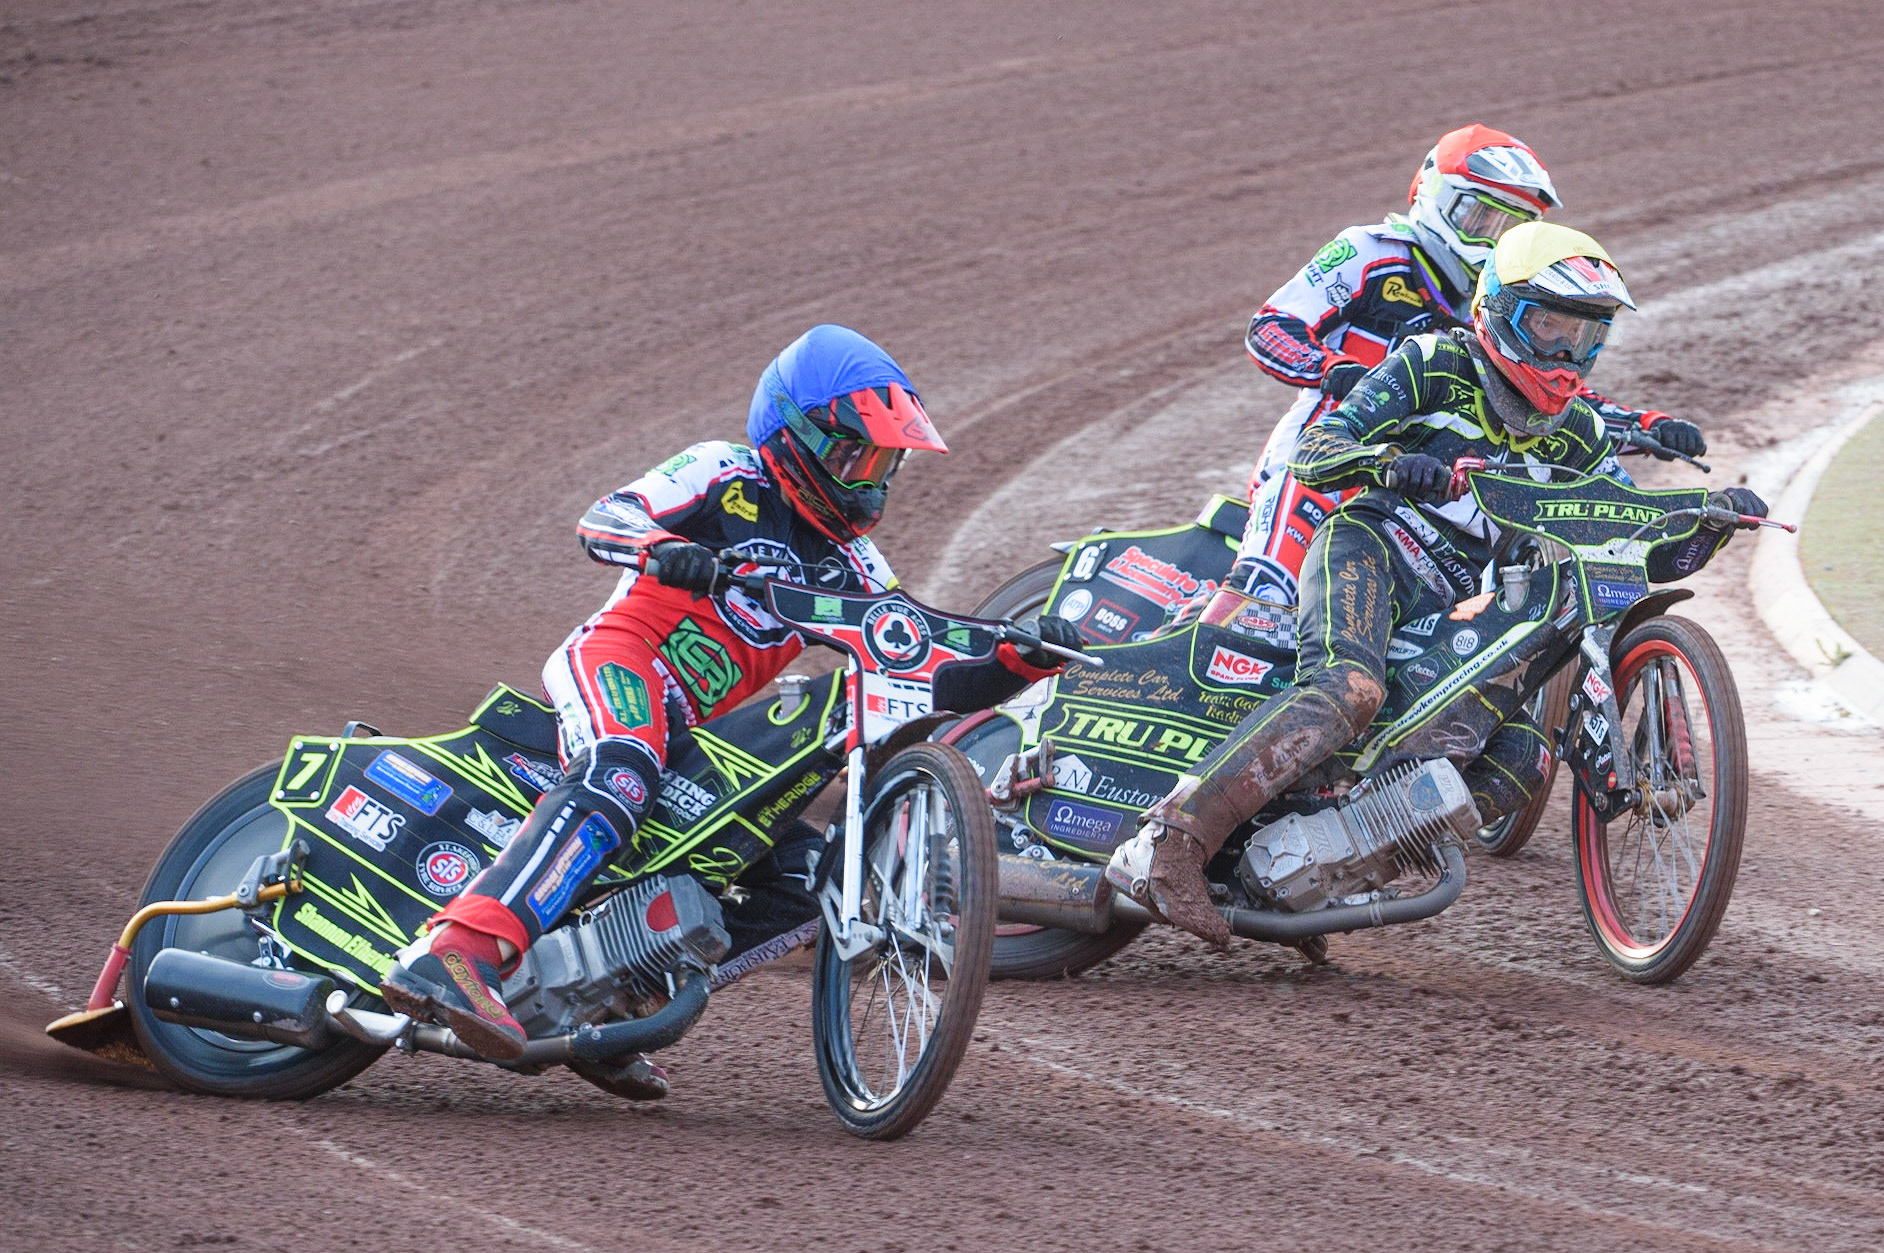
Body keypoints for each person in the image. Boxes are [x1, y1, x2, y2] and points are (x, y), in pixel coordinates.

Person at [381, 324, 1084, 1062]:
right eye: (854, 454)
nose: (870, 479)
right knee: (620, 768)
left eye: (885, 461)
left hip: (691, 732)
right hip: (621, 660)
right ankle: (455, 950)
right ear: (794, 435)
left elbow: (918, 651)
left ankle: (612, 1002)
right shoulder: (725, 472)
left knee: (809, 883)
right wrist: (664, 549)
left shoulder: (853, 562)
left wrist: (1020, 655)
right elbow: (607, 516)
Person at [1107, 223, 1765, 947]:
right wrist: (1388, 462)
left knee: (1521, 756)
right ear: (1498, 312)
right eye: (1547, 327)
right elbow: (1319, 446)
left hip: (1454, 608)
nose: (1564, 353)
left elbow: (1624, 528)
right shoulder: (1432, 362)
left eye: (1584, 337)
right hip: (1371, 549)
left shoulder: (1576, 429)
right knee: (1348, 690)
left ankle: (1310, 876)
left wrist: (1708, 522)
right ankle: (1172, 843)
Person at [1235, 124, 1708, 605]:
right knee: (1268, 595)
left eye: (1511, 227)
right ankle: (1235, 615)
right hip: (1334, 443)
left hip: (1431, 471)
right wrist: (1337, 370)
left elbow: (1542, 391)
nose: (1489, 241)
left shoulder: (1503, 300)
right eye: (1480, 218)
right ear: (1435, 195)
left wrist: (1647, 426)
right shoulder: (1371, 252)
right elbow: (1271, 326)